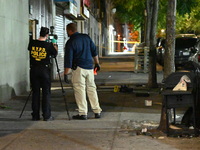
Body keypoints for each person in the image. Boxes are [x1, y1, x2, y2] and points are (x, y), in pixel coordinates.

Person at [64, 23, 102, 120]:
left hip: (78, 69)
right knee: (92, 89)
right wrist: (97, 63)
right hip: (90, 68)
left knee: (79, 90)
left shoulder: (70, 42)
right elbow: (94, 51)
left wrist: (66, 73)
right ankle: (97, 111)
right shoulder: (86, 38)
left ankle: (83, 113)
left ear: (69, 30)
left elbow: (68, 59)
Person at [28, 27, 58, 121]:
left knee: (35, 92)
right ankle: (47, 115)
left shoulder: (32, 43)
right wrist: (54, 44)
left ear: (39, 33)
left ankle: (35, 115)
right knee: (46, 93)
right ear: (47, 35)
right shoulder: (48, 45)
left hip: (34, 69)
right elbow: (55, 54)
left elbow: (30, 50)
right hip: (44, 70)